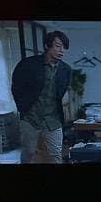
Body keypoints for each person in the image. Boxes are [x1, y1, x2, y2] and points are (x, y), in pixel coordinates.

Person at [11, 30, 72, 164]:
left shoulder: (66, 69)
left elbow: (62, 92)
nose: (61, 50)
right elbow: (16, 87)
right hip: (30, 117)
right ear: (46, 46)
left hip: (53, 119)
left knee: (56, 154)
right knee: (28, 152)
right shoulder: (28, 64)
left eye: (64, 47)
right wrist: (22, 108)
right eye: (58, 46)